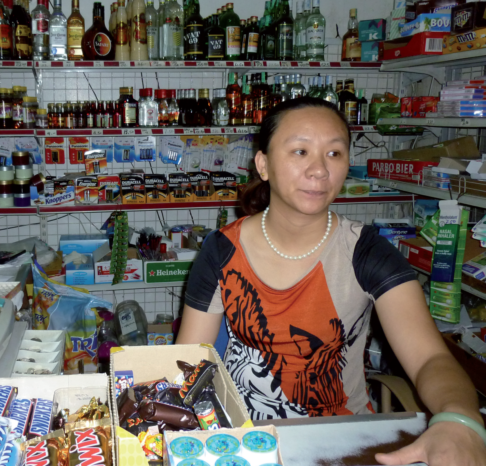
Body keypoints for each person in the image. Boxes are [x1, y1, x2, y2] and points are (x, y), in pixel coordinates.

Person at [176, 97, 486, 466]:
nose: (319, 170)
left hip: (343, 440)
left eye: (334, 154)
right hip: (241, 440)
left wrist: (460, 420)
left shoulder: (366, 252)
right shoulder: (221, 249)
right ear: (263, 164)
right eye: (300, 151)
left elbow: (430, 358)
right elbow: (189, 359)